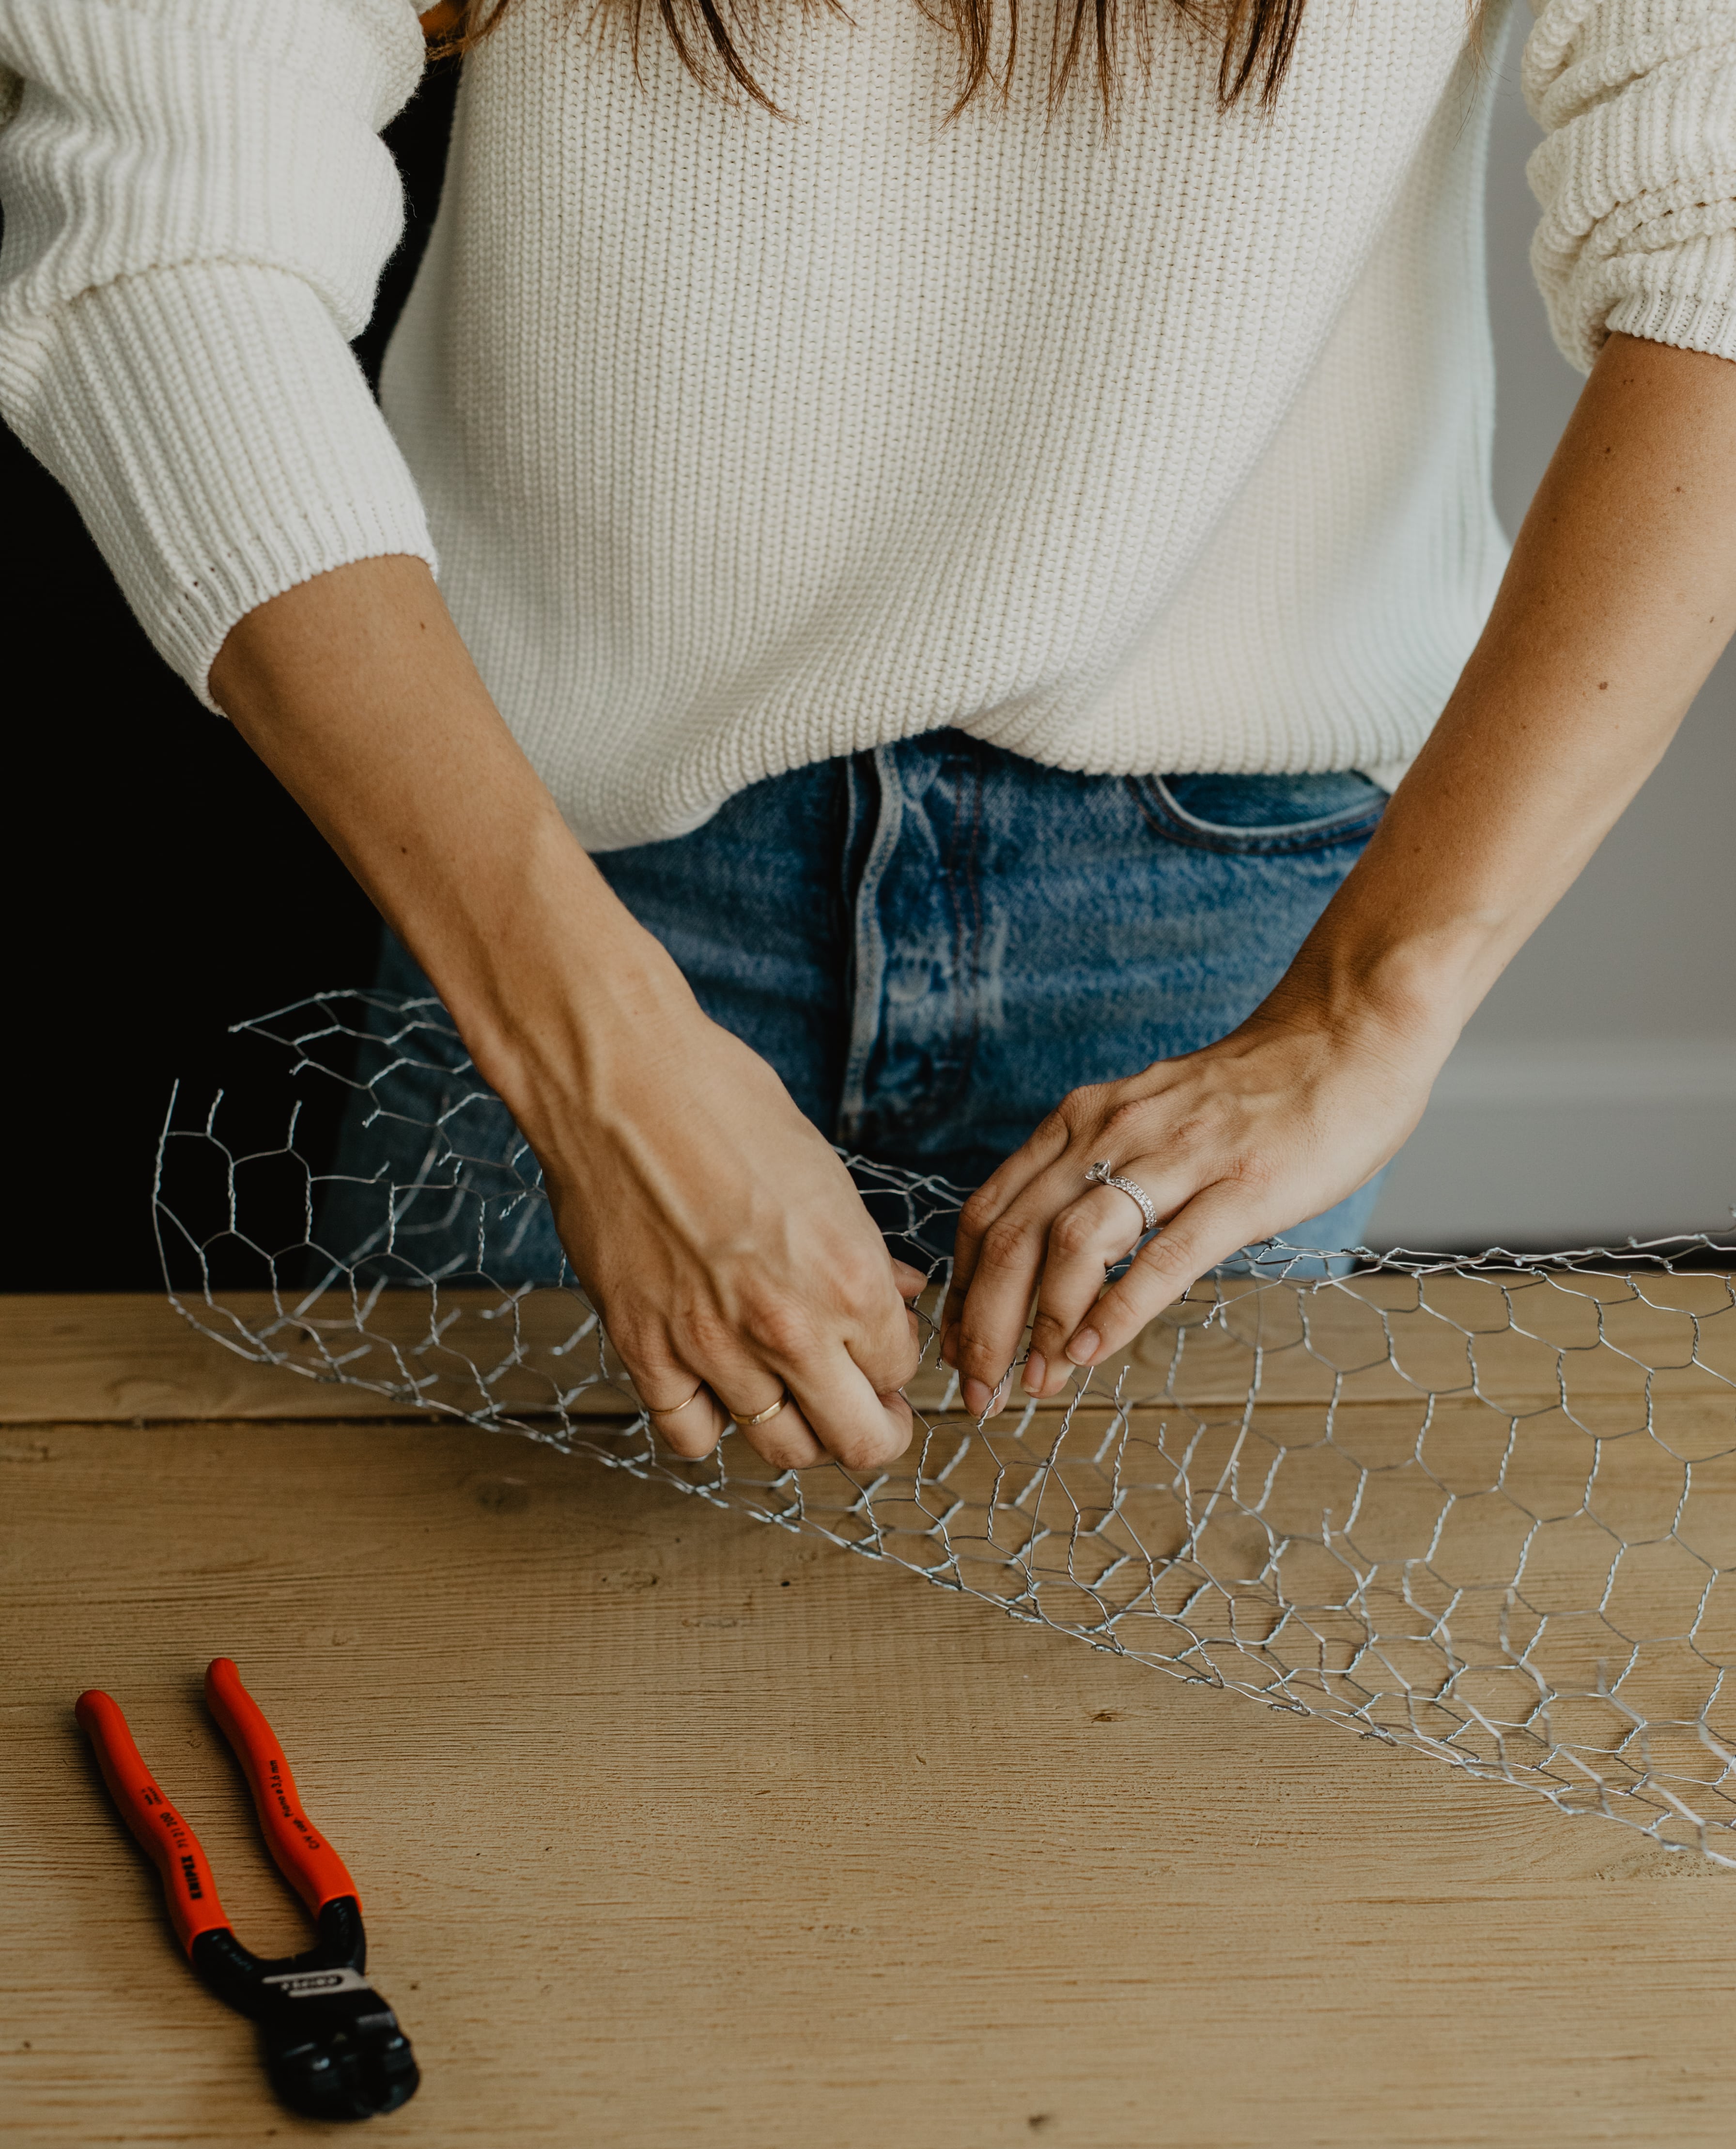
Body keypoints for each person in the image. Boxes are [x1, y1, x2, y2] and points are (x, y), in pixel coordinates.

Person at [2, 0, 1732, 1473]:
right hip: (553, 870)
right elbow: (159, 228)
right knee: (472, 1762)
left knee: (1142, 1805)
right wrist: (593, 1059)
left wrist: (1376, 1006)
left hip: (1218, 905)